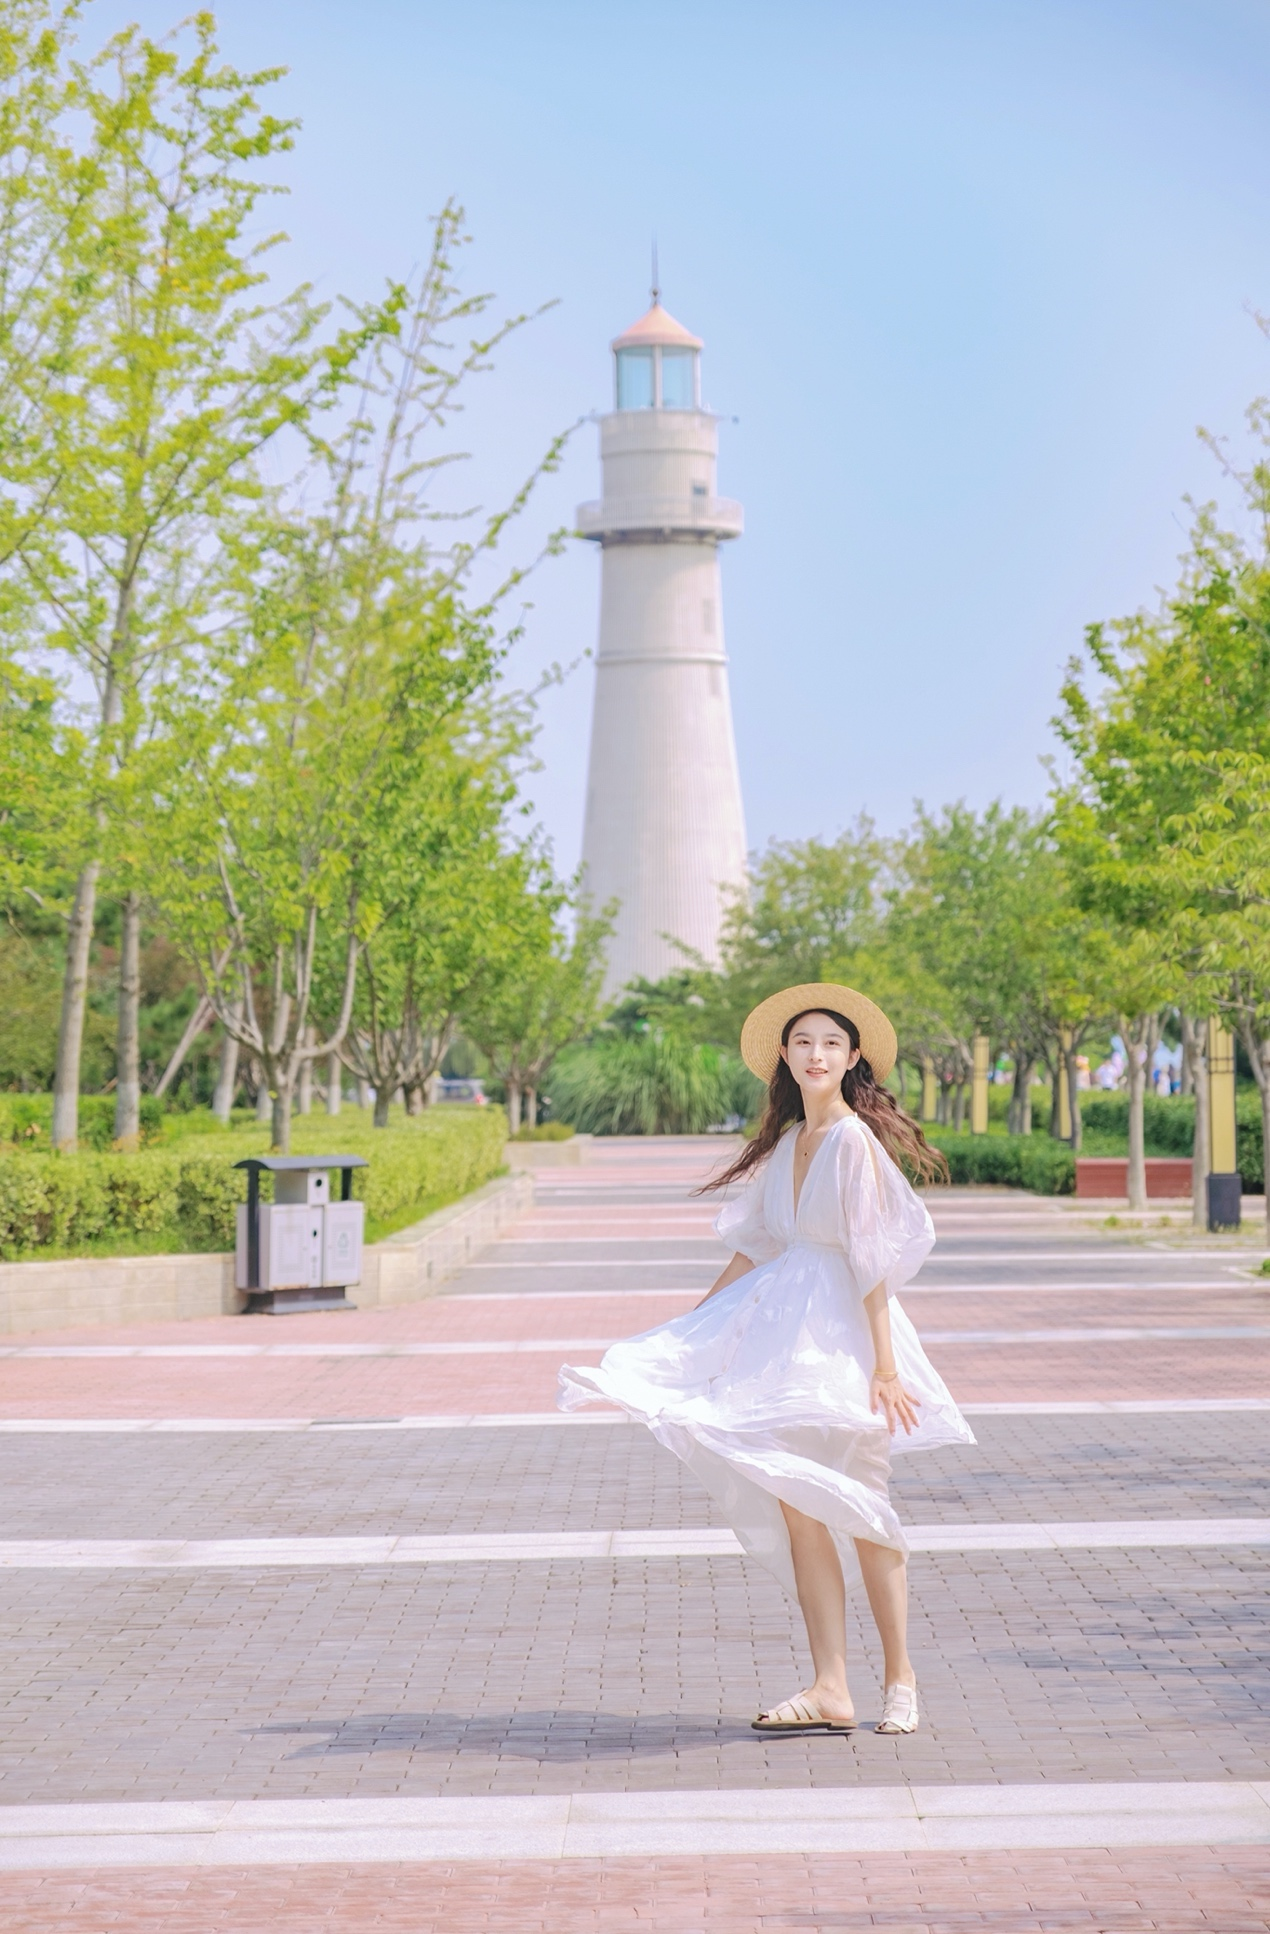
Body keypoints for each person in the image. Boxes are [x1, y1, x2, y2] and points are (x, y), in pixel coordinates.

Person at [559, 982, 974, 1738]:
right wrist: (690, 1334)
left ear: (853, 1059)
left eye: (831, 1044)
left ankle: (900, 1678)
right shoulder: (789, 1145)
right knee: (798, 1508)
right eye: (804, 1042)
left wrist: (886, 1368)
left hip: (844, 1342)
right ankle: (831, 1687)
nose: (817, 1055)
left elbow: (872, 1260)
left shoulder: (852, 1142)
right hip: (785, 1343)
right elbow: (755, 1248)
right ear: (784, 1055)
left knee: (865, 1509)